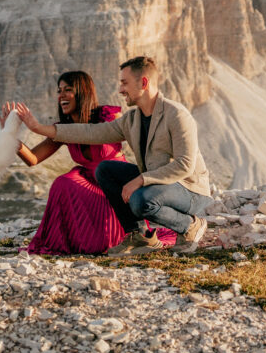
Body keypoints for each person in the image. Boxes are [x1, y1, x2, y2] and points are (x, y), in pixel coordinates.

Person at [17, 56, 213, 256]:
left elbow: (184, 165)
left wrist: (140, 180)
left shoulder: (176, 114)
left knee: (140, 201)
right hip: (160, 184)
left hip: (189, 189)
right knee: (106, 169)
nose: (120, 90)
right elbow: (91, 133)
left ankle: (190, 226)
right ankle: (140, 235)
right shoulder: (131, 119)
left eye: (124, 83)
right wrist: (38, 128)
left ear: (143, 83)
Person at [0, 70, 174, 255]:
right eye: (59, 91)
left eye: (68, 89)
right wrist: (10, 136)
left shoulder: (107, 117)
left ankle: (123, 233)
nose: (61, 95)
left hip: (113, 185)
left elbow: (141, 144)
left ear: (82, 92)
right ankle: (71, 240)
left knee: (97, 233)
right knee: (64, 182)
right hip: (88, 184)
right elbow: (33, 159)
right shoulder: (63, 129)